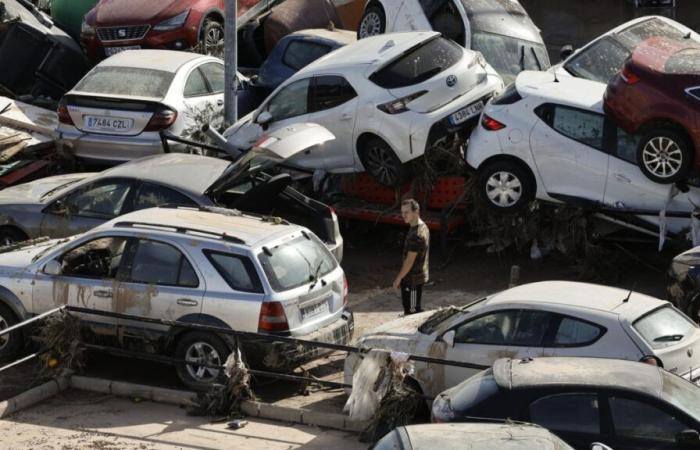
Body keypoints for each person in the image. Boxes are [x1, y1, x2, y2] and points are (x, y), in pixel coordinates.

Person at [393, 198, 430, 315]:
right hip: (416, 276)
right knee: (411, 308)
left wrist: (398, 278)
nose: (403, 215)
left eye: (406, 212)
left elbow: (410, 260)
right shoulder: (422, 226)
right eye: (402, 212)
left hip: (413, 280)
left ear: (416, 212)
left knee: (413, 312)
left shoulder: (416, 234)